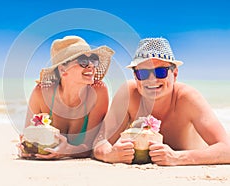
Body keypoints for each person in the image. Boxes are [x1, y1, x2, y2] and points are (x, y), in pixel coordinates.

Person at [93, 37, 230, 166]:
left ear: (174, 74)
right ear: (135, 76)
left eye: (160, 72)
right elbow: (100, 140)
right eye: (143, 73)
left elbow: (226, 149)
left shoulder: (187, 98)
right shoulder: (128, 94)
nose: (152, 79)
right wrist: (109, 154)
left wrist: (177, 158)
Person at [18, 35, 114, 159]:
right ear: (63, 69)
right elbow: (28, 137)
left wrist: (67, 151)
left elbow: (91, 146)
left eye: (93, 60)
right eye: (83, 61)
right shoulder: (41, 93)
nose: (91, 65)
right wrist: (25, 149)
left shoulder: (98, 91)